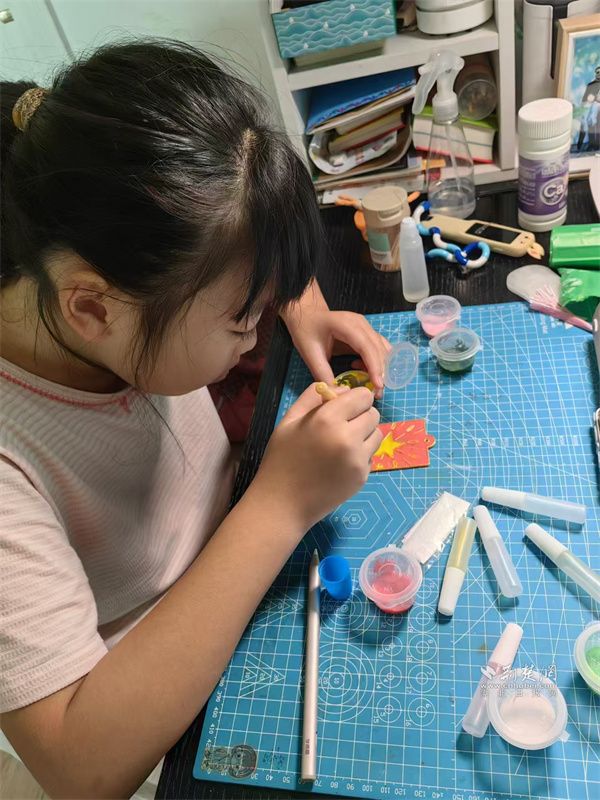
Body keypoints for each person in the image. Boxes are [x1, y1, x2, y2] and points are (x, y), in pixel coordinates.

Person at [0, 41, 388, 798]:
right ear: (92, 309)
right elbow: (79, 766)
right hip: (149, 701)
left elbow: (227, 244)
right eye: (244, 319)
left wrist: (298, 301)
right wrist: (280, 505)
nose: (256, 332)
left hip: (232, 550)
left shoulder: (108, 281)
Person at [577, 64, 600, 152]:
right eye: (597, 72)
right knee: (589, 122)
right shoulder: (591, 85)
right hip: (590, 108)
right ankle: (591, 144)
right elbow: (584, 99)